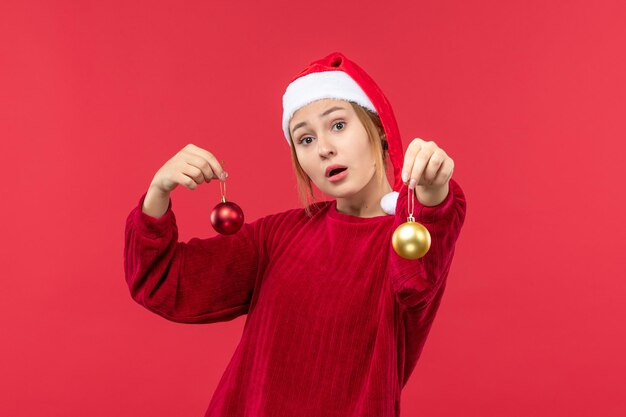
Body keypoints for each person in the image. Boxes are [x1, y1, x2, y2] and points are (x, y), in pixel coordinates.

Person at [124, 51, 467, 417]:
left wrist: (430, 193)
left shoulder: (408, 234)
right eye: (304, 139)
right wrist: (159, 191)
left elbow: (416, 277)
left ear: (378, 130)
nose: (323, 149)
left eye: (337, 125)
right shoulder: (277, 237)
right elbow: (163, 282)